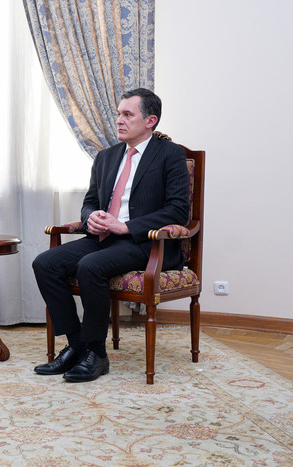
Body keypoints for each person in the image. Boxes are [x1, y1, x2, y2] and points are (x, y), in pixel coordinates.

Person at [32, 88, 190, 383]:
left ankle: (96, 354)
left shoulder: (170, 155)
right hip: (104, 239)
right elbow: (90, 201)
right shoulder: (106, 157)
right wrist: (90, 217)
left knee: (90, 266)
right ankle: (77, 345)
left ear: (150, 121)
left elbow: (178, 210)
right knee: (45, 263)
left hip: (145, 242)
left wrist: (128, 227)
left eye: (127, 114)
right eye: (118, 113)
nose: (119, 120)